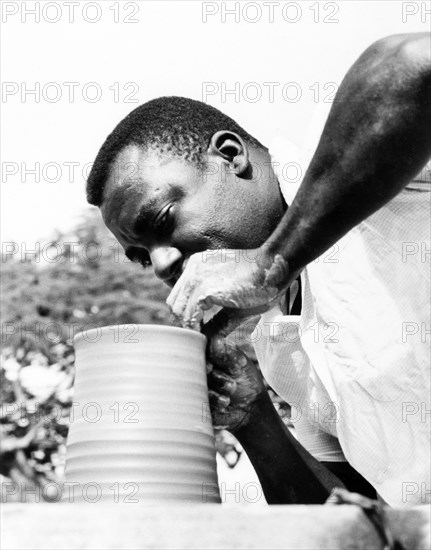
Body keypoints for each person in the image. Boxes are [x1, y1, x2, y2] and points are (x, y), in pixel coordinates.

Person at [86, 33, 430, 506]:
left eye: (163, 221)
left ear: (230, 156)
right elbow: (345, 517)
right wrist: (254, 420)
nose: (161, 262)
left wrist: (271, 263)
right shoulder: (278, 348)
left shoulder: (362, 166)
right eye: (143, 257)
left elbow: (412, 64)